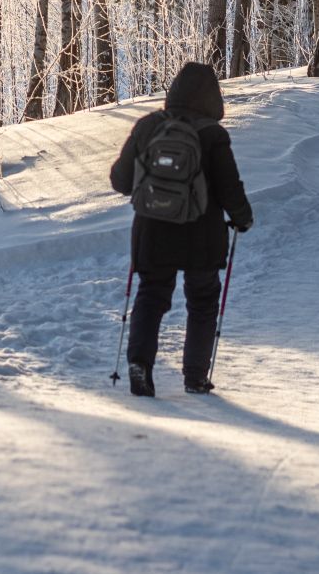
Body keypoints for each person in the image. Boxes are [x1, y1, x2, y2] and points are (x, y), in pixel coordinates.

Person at [109, 60, 253, 397]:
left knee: (151, 295)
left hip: (152, 230)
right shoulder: (213, 135)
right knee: (202, 301)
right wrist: (242, 218)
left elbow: (120, 180)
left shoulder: (148, 126)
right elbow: (229, 187)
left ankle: (139, 364)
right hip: (201, 234)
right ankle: (195, 377)